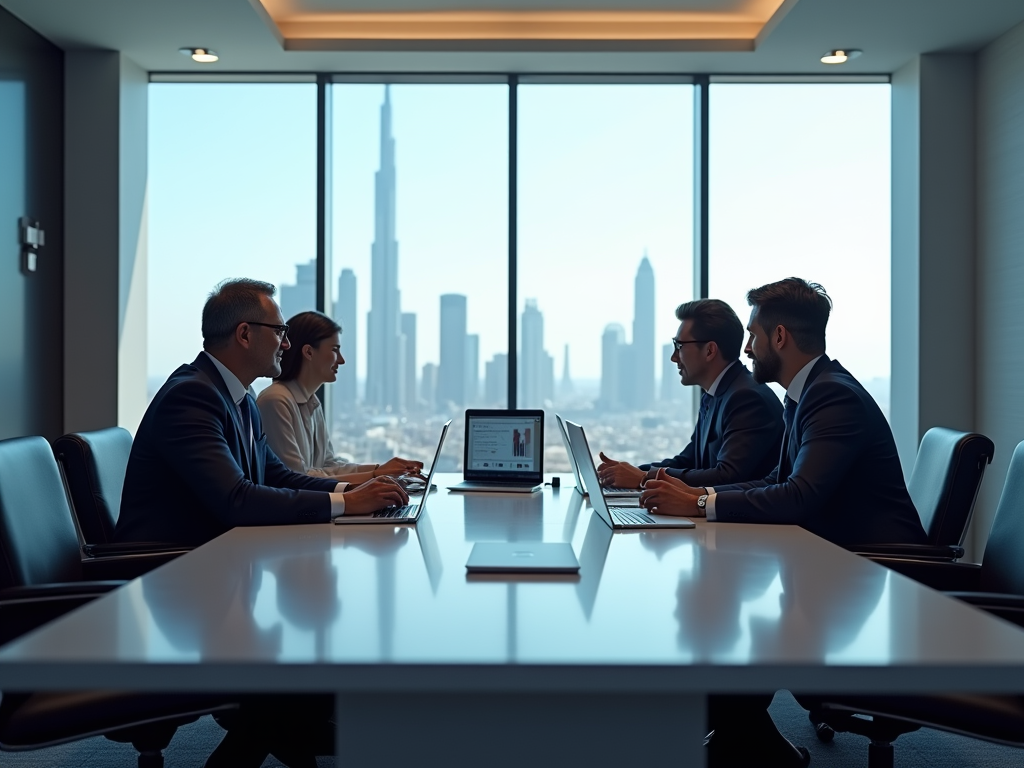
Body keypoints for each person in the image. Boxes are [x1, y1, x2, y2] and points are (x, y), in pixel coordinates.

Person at [639, 277, 926, 768]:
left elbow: (799, 496)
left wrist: (698, 503)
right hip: (837, 568)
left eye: (752, 335)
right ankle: (741, 741)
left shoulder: (832, 397)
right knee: (725, 614)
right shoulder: (808, 393)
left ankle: (739, 743)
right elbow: (775, 479)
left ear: (779, 338)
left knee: (728, 618)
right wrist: (698, 497)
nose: (745, 349)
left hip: (876, 584)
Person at [116, 278, 409, 549]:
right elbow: (236, 499)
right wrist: (346, 502)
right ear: (245, 334)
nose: (287, 344)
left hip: (216, 560)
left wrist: (355, 491)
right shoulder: (191, 396)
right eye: (280, 331)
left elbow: (277, 476)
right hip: (167, 575)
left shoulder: (241, 396)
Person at [597, 299, 784, 489]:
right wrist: (626, 473)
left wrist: (644, 478)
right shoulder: (716, 393)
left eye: (679, 346)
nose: (673, 357)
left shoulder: (746, 398)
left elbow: (726, 477)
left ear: (710, 350)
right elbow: (689, 461)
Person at [256, 310, 424, 483]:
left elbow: (328, 465)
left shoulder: (311, 402)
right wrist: (375, 476)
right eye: (335, 350)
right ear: (309, 352)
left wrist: (379, 470)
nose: (342, 360)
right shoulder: (276, 401)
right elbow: (297, 478)